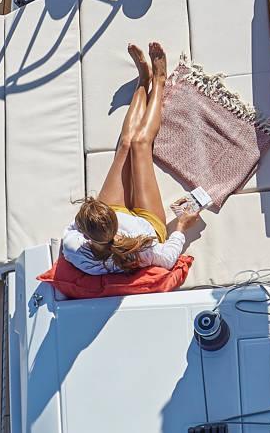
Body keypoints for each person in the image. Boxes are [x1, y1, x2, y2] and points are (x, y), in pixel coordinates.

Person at [61, 41, 201, 275]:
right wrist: (181, 227)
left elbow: (74, 228)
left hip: (115, 213)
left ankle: (142, 80)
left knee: (126, 144)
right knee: (140, 144)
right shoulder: (139, 249)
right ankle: (158, 81)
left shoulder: (72, 246)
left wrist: (105, 215)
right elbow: (166, 259)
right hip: (147, 223)